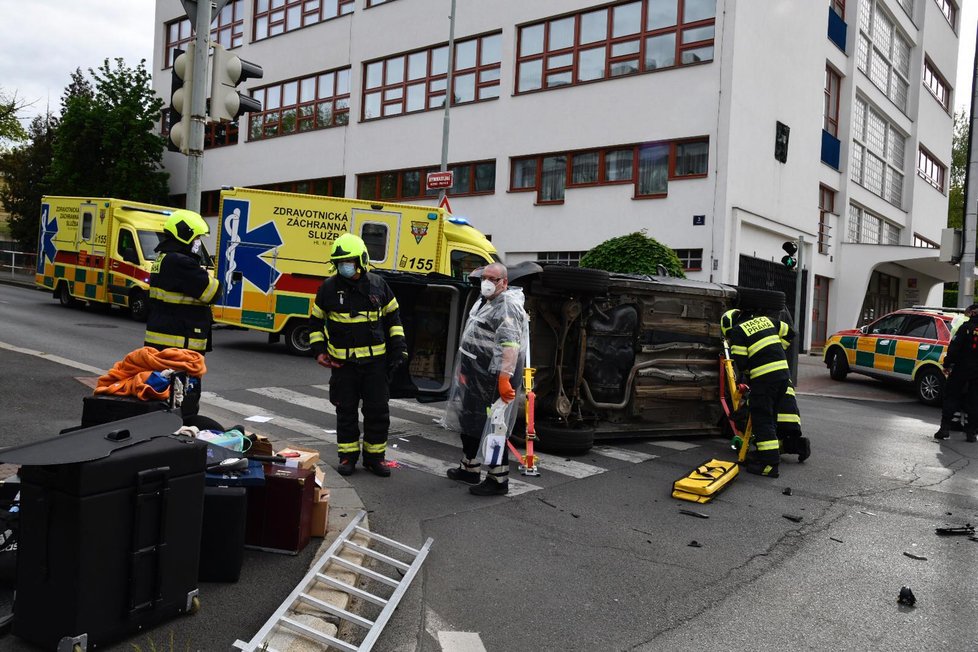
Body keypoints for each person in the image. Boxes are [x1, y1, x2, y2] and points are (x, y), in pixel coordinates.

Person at [308, 233, 408, 477]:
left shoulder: (378, 285)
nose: (345, 265)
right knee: (346, 411)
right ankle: (347, 457)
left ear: (361, 260)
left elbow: (393, 319)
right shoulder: (328, 288)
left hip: (375, 364)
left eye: (349, 260)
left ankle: (375, 459)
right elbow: (315, 323)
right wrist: (319, 351)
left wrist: (399, 348)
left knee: (377, 412)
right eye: (340, 261)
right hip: (343, 365)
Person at [443, 263, 528, 496]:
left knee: (493, 427)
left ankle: (498, 479)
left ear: (504, 282)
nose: (487, 282)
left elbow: (510, 346)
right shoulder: (486, 301)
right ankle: (469, 467)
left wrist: (504, 379)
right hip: (475, 374)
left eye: (493, 278)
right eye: (485, 278)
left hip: (492, 378)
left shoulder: (507, 306)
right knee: (469, 420)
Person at [144, 209, 220, 418]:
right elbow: (213, 292)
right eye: (196, 238)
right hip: (180, 344)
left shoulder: (163, 259)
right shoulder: (180, 262)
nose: (197, 243)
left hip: (165, 340)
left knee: (166, 395)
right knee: (184, 400)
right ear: (184, 234)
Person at [721, 308, 794, 478]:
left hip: (764, 380)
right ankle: (766, 455)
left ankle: (769, 465)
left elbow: (742, 361)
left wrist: (749, 375)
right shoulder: (766, 320)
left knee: (762, 420)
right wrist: (777, 352)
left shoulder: (738, 332)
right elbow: (790, 333)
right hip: (783, 376)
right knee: (771, 417)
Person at [934, 303, 978, 443]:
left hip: (961, 369)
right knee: (975, 401)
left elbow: (954, 349)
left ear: (972, 313)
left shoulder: (964, 328)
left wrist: (947, 364)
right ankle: (971, 433)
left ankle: (944, 429)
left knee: (952, 396)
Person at [776, 380, 811, 462]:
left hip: (778, 420)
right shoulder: (783, 374)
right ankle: (799, 444)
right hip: (793, 420)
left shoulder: (761, 376)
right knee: (779, 440)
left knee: (765, 440)